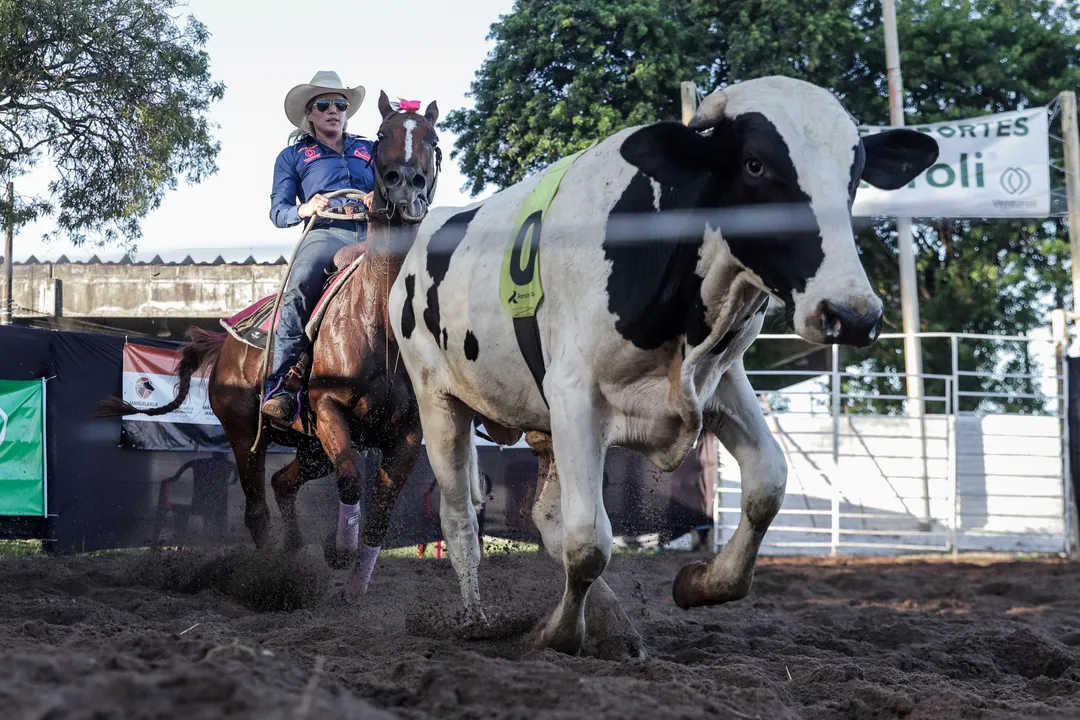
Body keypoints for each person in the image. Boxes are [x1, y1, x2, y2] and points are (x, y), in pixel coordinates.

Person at [264, 70, 375, 423]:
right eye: (323, 104)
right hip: (327, 231)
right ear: (309, 114)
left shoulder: (370, 149)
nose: (333, 110)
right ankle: (282, 384)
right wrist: (304, 208)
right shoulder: (292, 156)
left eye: (340, 104)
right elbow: (278, 211)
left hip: (376, 233)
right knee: (298, 287)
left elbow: (399, 184)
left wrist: (382, 197)